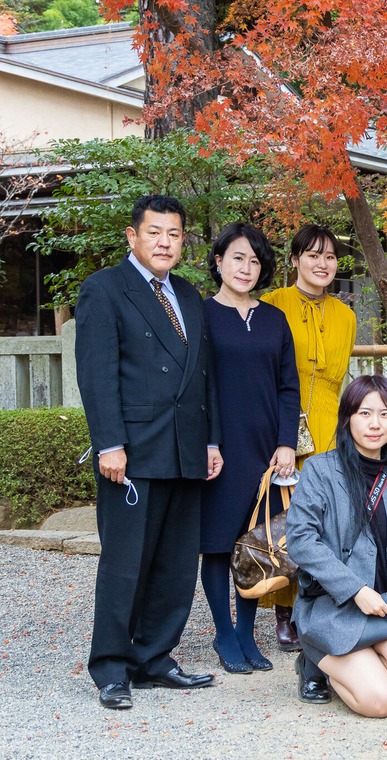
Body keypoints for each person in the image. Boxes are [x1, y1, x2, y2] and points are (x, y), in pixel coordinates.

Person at [75, 194, 224, 710]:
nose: (165, 242)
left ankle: (155, 658)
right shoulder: (104, 289)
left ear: (184, 241)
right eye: (155, 232)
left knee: (176, 562)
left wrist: (210, 440)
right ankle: (112, 667)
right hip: (132, 452)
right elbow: (97, 375)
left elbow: (204, 376)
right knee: (125, 563)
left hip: (186, 449)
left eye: (174, 234)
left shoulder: (186, 292)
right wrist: (109, 444)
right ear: (132, 236)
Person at [285, 375, 387, 717]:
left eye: (385, 414)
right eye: (365, 413)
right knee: (381, 702)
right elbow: (301, 540)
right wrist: (355, 589)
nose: (375, 424)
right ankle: (315, 659)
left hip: (385, 607)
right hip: (333, 609)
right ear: (347, 417)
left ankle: (355, 661)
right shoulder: (321, 470)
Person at [199, 222, 300, 674]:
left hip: (264, 447)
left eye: (255, 260)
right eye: (237, 257)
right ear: (218, 261)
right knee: (218, 544)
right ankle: (224, 633)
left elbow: (287, 387)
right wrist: (207, 441)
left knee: (255, 542)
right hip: (219, 449)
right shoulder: (200, 315)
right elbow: (195, 386)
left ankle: (246, 634)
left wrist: (285, 444)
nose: (246, 267)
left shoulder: (274, 318)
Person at [262, 223, 357, 650]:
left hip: (333, 427)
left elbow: (339, 381)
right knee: (288, 518)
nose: (322, 264)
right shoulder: (272, 303)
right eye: (313, 255)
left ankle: (321, 605)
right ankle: (286, 609)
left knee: (331, 520)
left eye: (330, 256)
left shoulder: (346, 315)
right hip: (285, 424)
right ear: (295, 259)